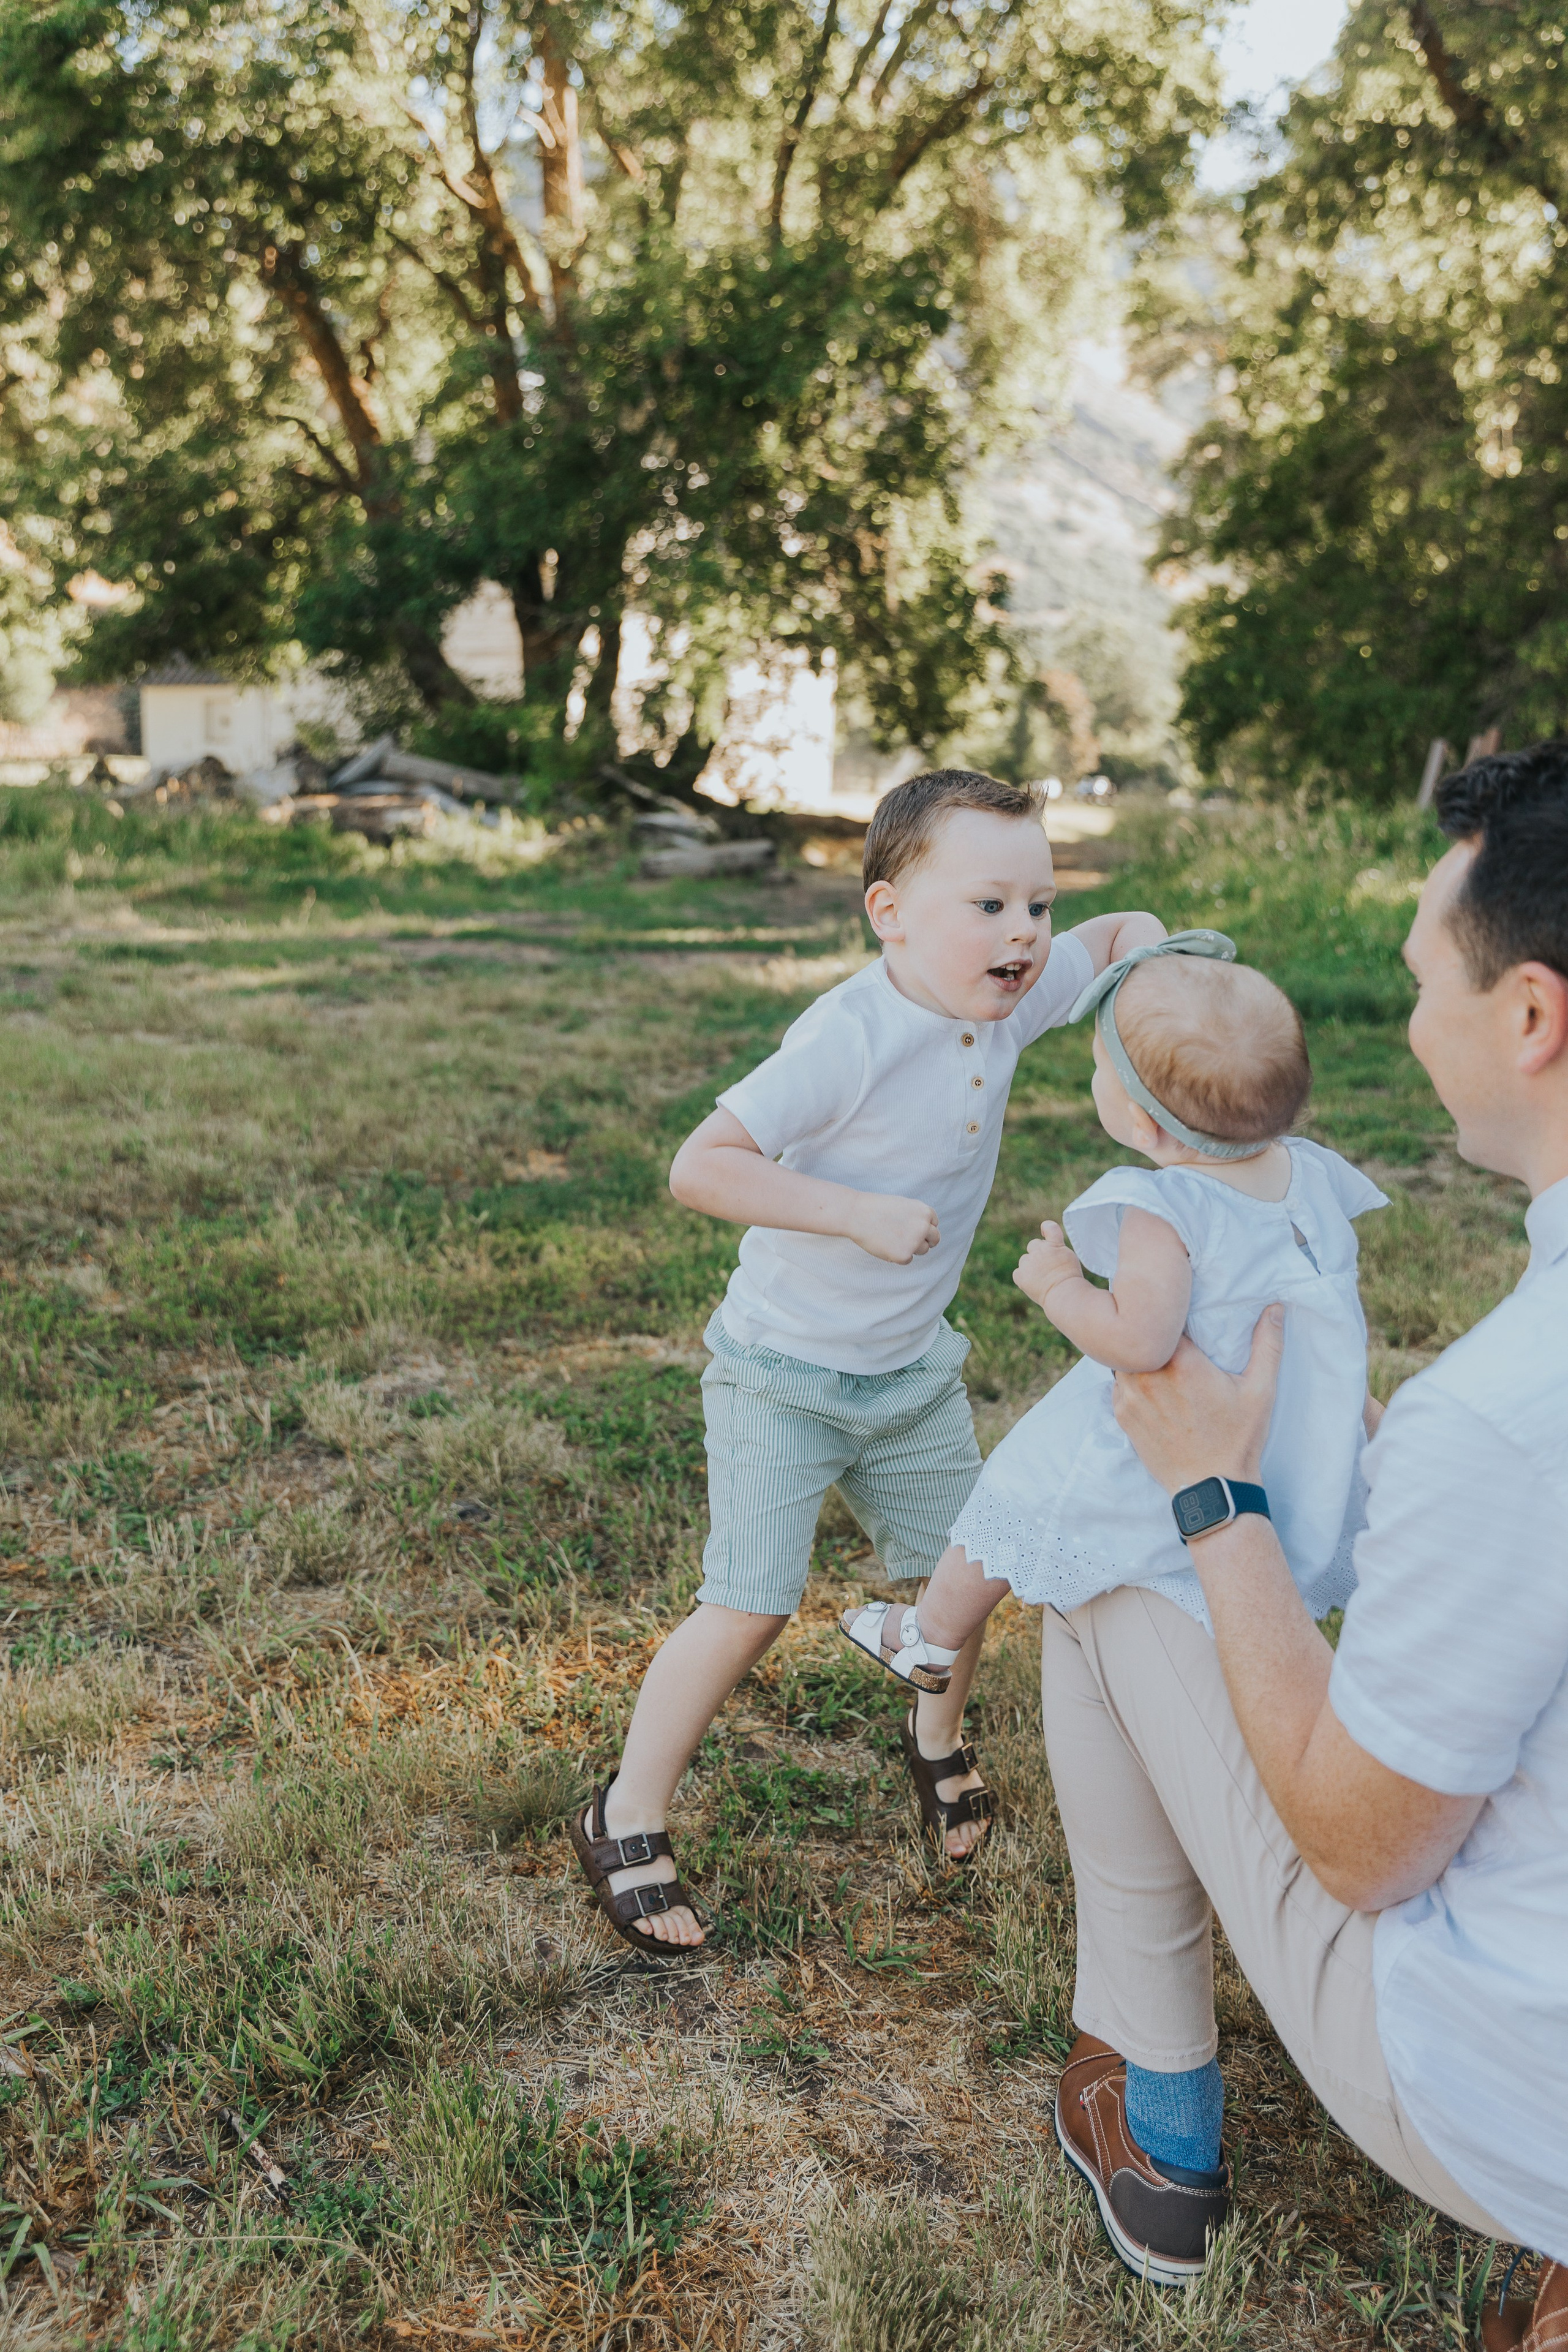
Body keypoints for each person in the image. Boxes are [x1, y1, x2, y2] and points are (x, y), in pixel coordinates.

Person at [1035, 744, 1568, 2342]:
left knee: (1098, 1559)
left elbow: (1361, 1847)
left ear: (1532, 1017)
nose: (1406, 1028)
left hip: (1515, 2085)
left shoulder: (1510, 1413)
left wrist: (1217, 1495)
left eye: (1421, 985)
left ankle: (1155, 2109)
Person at [567, 767, 1166, 1950]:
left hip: (909, 1378)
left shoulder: (1008, 998)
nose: (1026, 934)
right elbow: (703, 1167)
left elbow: (1126, 935)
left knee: (971, 1569)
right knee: (748, 1605)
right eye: (989, 906)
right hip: (782, 1376)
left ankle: (933, 1740)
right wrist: (848, 1211)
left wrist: (1149, 949)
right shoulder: (849, 1033)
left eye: (1037, 905)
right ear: (890, 914)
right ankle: (625, 1811)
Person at [838, 935, 1385, 1692]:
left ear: (1143, 1126)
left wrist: (1060, 1285)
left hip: (1158, 1434)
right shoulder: (1311, 1174)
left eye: (1098, 1067)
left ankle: (929, 1635)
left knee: (1014, 1491)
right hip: (1283, 1422)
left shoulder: (1169, 1207)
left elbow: (1139, 1340)